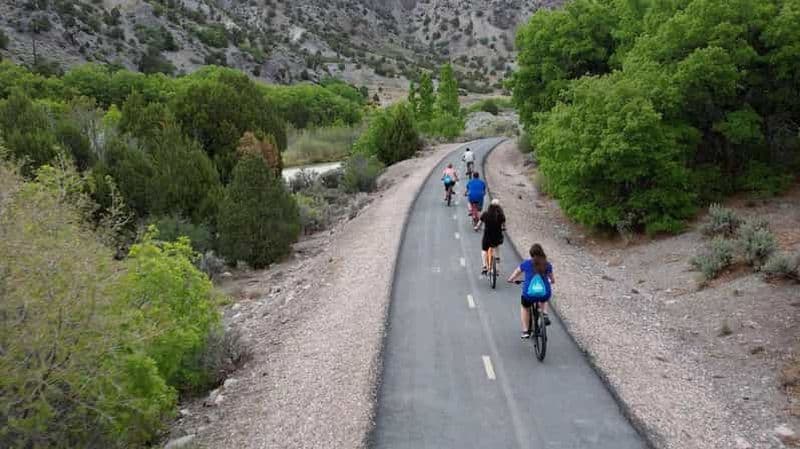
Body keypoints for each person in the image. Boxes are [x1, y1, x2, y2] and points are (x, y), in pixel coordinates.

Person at [507, 244, 555, 339]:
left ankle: (525, 331)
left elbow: (517, 272)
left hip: (529, 295)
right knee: (544, 295)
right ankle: (544, 314)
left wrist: (511, 279)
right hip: (544, 294)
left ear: (531, 254)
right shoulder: (547, 264)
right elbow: (552, 279)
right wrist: (550, 281)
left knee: (525, 307)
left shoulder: (526, 263)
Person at [480, 199, 506, 275]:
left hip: (487, 238)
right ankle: (497, 270)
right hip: (497, 238)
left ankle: (484, 266)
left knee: (484, 251)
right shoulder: (501, 216)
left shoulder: (485, 214)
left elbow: (479, 223)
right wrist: (503, 228)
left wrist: (476, 227)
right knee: (497, 251)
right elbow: (504, 225)